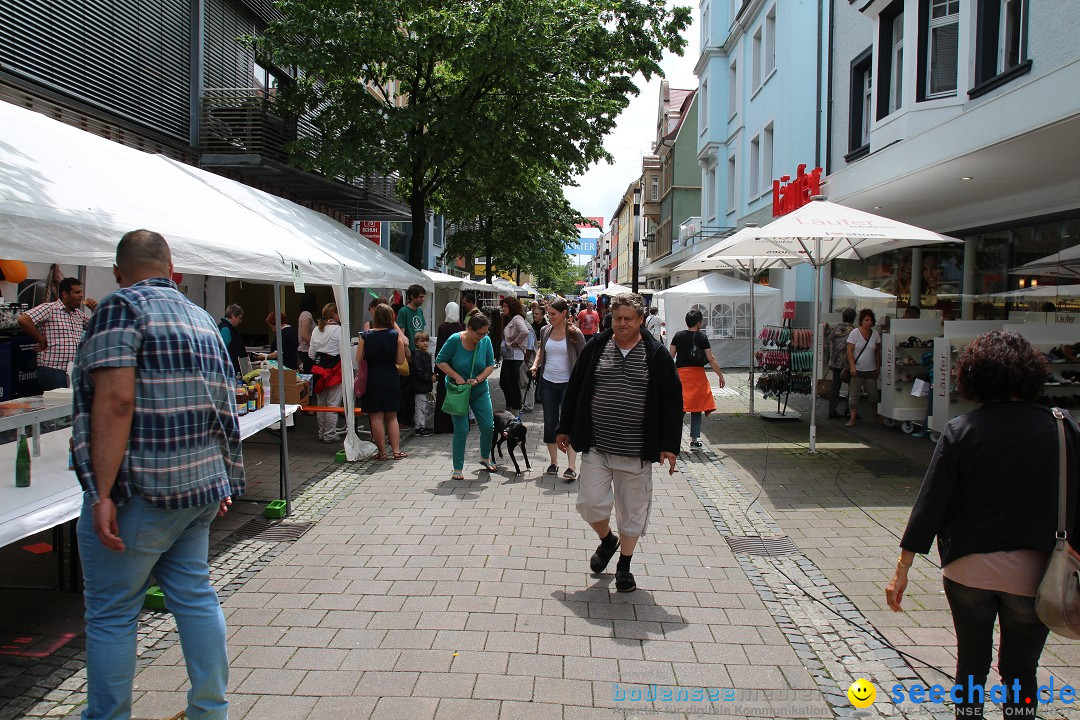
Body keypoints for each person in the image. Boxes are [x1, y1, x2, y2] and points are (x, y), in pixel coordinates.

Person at [71, 229, 244, 720]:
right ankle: (210, 710)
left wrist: (100, 492)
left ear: (119, 273)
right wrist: (227, 477)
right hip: (198, 488)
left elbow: (116, 400)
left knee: (112, 612)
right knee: (194, 597)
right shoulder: (203, 319)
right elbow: (224, 404)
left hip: (141, 490)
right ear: (173, 270)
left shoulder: (120, 308)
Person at [886, 330, 1079, 720]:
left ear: (974, 376)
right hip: (1037, 575)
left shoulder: (962, 430)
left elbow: (930, 506)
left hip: (968, 570)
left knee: (971, 664)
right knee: (1021, 671)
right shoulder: (1062, 427)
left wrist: (902, 570)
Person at [556, 293, 682, 593]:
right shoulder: (598, 346)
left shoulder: (656, 353)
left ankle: (624, 564)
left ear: (641, 320)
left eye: (629, 318)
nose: (622, 323)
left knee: (632, 512)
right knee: (589, 503)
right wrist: (565, 427)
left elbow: (672, 401)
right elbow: (576, 387)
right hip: (597, 444)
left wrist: (669, 445)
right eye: (617, 318)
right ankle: (607, 540)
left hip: (636, 450)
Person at [435, 312, 496, 480]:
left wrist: (477, 379)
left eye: (485, 333)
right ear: (469, 328)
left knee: (487, 426)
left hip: (479, 389)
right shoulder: (455, 339)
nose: (482, 337)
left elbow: (490, 365)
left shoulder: (486, 341)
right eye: (479, 333)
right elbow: (440, 360)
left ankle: (485, 457)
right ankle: (457, 468)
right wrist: (456, 376)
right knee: (461, 429)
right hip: (458, 391)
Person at [530, 298, 586, 481]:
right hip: (548, 382)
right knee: (550, 422)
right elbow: (541, 351)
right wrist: (536, 364)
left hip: (569, 384)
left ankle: (571, 466)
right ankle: (553, 462)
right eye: (548, 313)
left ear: (564, 314)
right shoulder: (545, 330)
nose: (549, 317)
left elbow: (584, 358)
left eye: (553, 314)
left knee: (568, 423)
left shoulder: (575, 334)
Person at [17, 276, 97, 390]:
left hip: (71, 370)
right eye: (77, 292)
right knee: (58, 405)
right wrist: (41, 339)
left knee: (69, 406)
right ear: (65, 294)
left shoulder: (78, 314)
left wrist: (95, 310)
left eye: (81, 292)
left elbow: (97, 329)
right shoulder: (50, 308)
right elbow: (23, 319)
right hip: (52, 369)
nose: (81, 296)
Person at [669, 309, 725, 449]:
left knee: (679, 409)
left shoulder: (678, 335)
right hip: (698, 376)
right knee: (696, 409)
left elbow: (670, 357)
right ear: (699, 322)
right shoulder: (702, 338)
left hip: (681, 376)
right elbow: (711, 359)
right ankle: (695, 440)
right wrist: (720, 375)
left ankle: (673, 439)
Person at [357, 303, 406, 459]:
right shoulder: (395, 335)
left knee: (375, 416)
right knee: (392, 416)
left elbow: (358, 358)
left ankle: (382, 452)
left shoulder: (365, 335)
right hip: (390, 376)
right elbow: (399, 360)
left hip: (372, 377)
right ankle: (396, 451)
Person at [308, 303, 343, 443]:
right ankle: (330, 434)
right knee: (333, 404)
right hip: (334, 370)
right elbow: (343, 352)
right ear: (334, 313)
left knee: (320, 403)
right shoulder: (339, 330)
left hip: (318, 370)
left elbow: (311, 354)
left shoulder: (316, 329)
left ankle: (321, 432)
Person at [845, 308, 881, 427]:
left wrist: (877, 367)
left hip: (870, 369)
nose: (869, 322)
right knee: (854, 394)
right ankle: (852, 417)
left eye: (870, 320)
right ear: (861, 321)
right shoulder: (854, 333)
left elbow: (877, 352)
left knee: (873, 394)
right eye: (866, 320)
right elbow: (849, 351)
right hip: (857, 369)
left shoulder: (875, 334)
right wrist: (852, 367)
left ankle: (876, 414)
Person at [434, 302, 465, 435]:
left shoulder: (443, 327)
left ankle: (442, 425)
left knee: (443, 395)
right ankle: (457, 424)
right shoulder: (461, 326)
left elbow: (440, 349)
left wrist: (436, 368)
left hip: (445, 367)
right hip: (458, 366)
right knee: (458, 395)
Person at [499, 296, 530, 413]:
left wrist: (515, 343)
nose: (503, 309)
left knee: (511, 382)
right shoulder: (511, 319)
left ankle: (515, 407)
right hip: (509, 356)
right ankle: (511, 405)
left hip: (514, 356)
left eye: (505, 306)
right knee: (504, 382)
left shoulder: (517, 318)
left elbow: (525, 331)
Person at [826, 307, 856, 419]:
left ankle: (832, 410)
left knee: (835, 387)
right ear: (854, 318)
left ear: (843, 317)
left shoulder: (837, 328)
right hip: (848, 362)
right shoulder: (853, 330)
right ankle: (849, 410)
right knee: (852, 386)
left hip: (835, 361)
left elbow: (829, 339)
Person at [412, 331, 435, 436]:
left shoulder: (426, 355)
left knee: (425, 407)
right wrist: (430, 378)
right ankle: (419, 427)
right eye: (422, 341)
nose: (425, 343)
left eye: (426, 341)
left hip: (425, 386)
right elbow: (419, 371)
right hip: (420, 386)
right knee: (420, 407)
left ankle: (423, 425)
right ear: (417, 342)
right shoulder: (417, 355)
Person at [396, 283, 427, 351]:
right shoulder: (403, 311)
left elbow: (422, 331)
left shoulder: (420, 311)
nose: (423, 299)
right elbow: (401, 334)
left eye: (423, 297)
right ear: (412, 296)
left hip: (420, 351)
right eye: (420, 297)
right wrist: (407, 350)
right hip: (410, 350)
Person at [217, 304, 246, 373]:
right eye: (239, 318)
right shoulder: (226, 329)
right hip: (229, 370)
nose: (240, 321)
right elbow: (221, 351)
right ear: (233, 316)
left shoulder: (228, 328)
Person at [296, 293, 318, 373]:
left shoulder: (304, 314)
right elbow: (304, 335)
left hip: (304, 350)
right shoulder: (307, 314)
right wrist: (314, 346)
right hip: (306, 350)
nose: (317, 303)